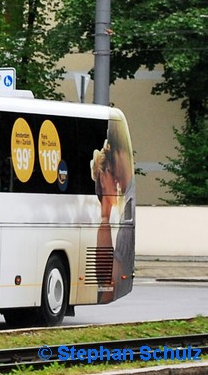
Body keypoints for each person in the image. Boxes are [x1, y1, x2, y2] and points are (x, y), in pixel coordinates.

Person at [90, 120, 135, 302]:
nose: (115, 180)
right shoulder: (117, 216)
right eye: (109, 171)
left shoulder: (124, 215)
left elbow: (108, 285)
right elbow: (106, 282)